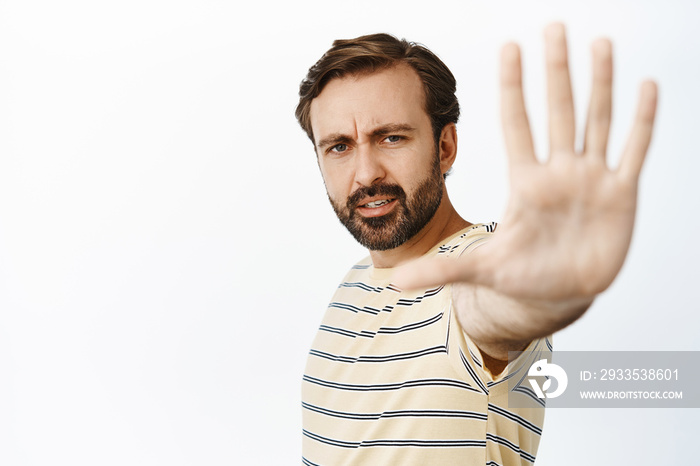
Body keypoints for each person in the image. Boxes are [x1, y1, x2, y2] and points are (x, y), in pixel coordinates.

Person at [295, 23, 657, 465]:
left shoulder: (482, 267)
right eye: (339, 146)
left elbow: (494, 312)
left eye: (391, 137)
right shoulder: (352, 285)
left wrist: (544, 286)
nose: (366, 173)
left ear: (444, 147)